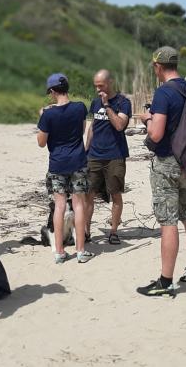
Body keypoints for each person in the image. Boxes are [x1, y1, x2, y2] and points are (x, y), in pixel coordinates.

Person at [137, 46, 186, 297]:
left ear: (158, 66)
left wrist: (147, 119)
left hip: (167, 163)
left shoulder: (164, 92)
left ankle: (166, 281)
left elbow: (156, 133)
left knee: (168, 222)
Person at [37, 73, 95, 264]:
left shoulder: (48, 114)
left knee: (59, 206)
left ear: (52, 91)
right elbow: (80, 131)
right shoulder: (80, 108)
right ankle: (80, 250)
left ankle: (60, 252)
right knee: (79, 205)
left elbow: (41, 142)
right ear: (67, 88)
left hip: (57, 163)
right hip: (78, 160)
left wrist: (43, 117)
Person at [83, 69, 131, 245]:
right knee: (89, 194)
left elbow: (119, 125)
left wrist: (107, 106)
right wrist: (86, 150)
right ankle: (86, 231)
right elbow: (93, 127)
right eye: (96, 86)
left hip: (115, 155)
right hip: (94, 155)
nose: (98, 89)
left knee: (115, 194)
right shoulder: (95, 103)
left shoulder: (123, 102)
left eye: (101, 85)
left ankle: (113, 231)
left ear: (110, 82)